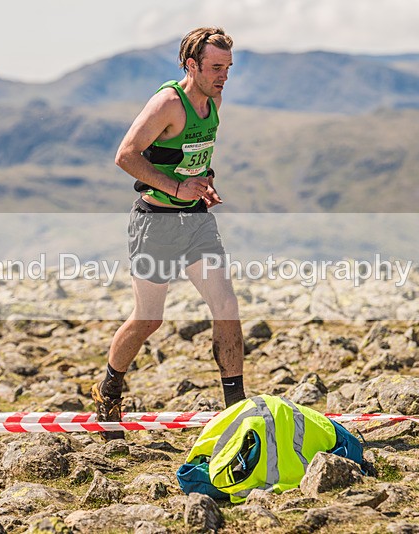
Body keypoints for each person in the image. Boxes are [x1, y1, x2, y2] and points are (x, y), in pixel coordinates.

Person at [91, 27, 246, 441]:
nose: (223, 77)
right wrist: (175, 187)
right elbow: (126, 155)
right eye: (215, 68)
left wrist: (204, 180)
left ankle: (237, 412)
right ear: (190, 65)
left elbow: (195, 157)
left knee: (226, 306)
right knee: (148, 319)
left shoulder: (214, 98)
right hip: (155, 224)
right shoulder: (166, 103)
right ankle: (108, 390)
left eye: (228, 68)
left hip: (195, 221)